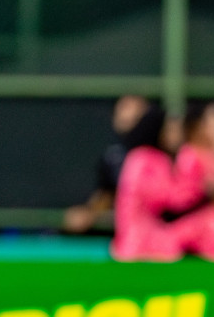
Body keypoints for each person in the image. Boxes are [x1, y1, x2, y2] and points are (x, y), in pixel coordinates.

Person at [111, 103, 214, 263]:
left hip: (157, 227)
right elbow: (173, 200)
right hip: (141, 235)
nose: (174, 134)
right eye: (170, 129)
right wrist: (202, 189)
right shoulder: (149, 158)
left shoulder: (164, 158)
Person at [63, 94, 149, 232]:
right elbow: (105, 195)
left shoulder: (158, 156)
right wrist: (89, 213)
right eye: (123, 109)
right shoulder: (113, 157)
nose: (128, 116)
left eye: (136, 112)